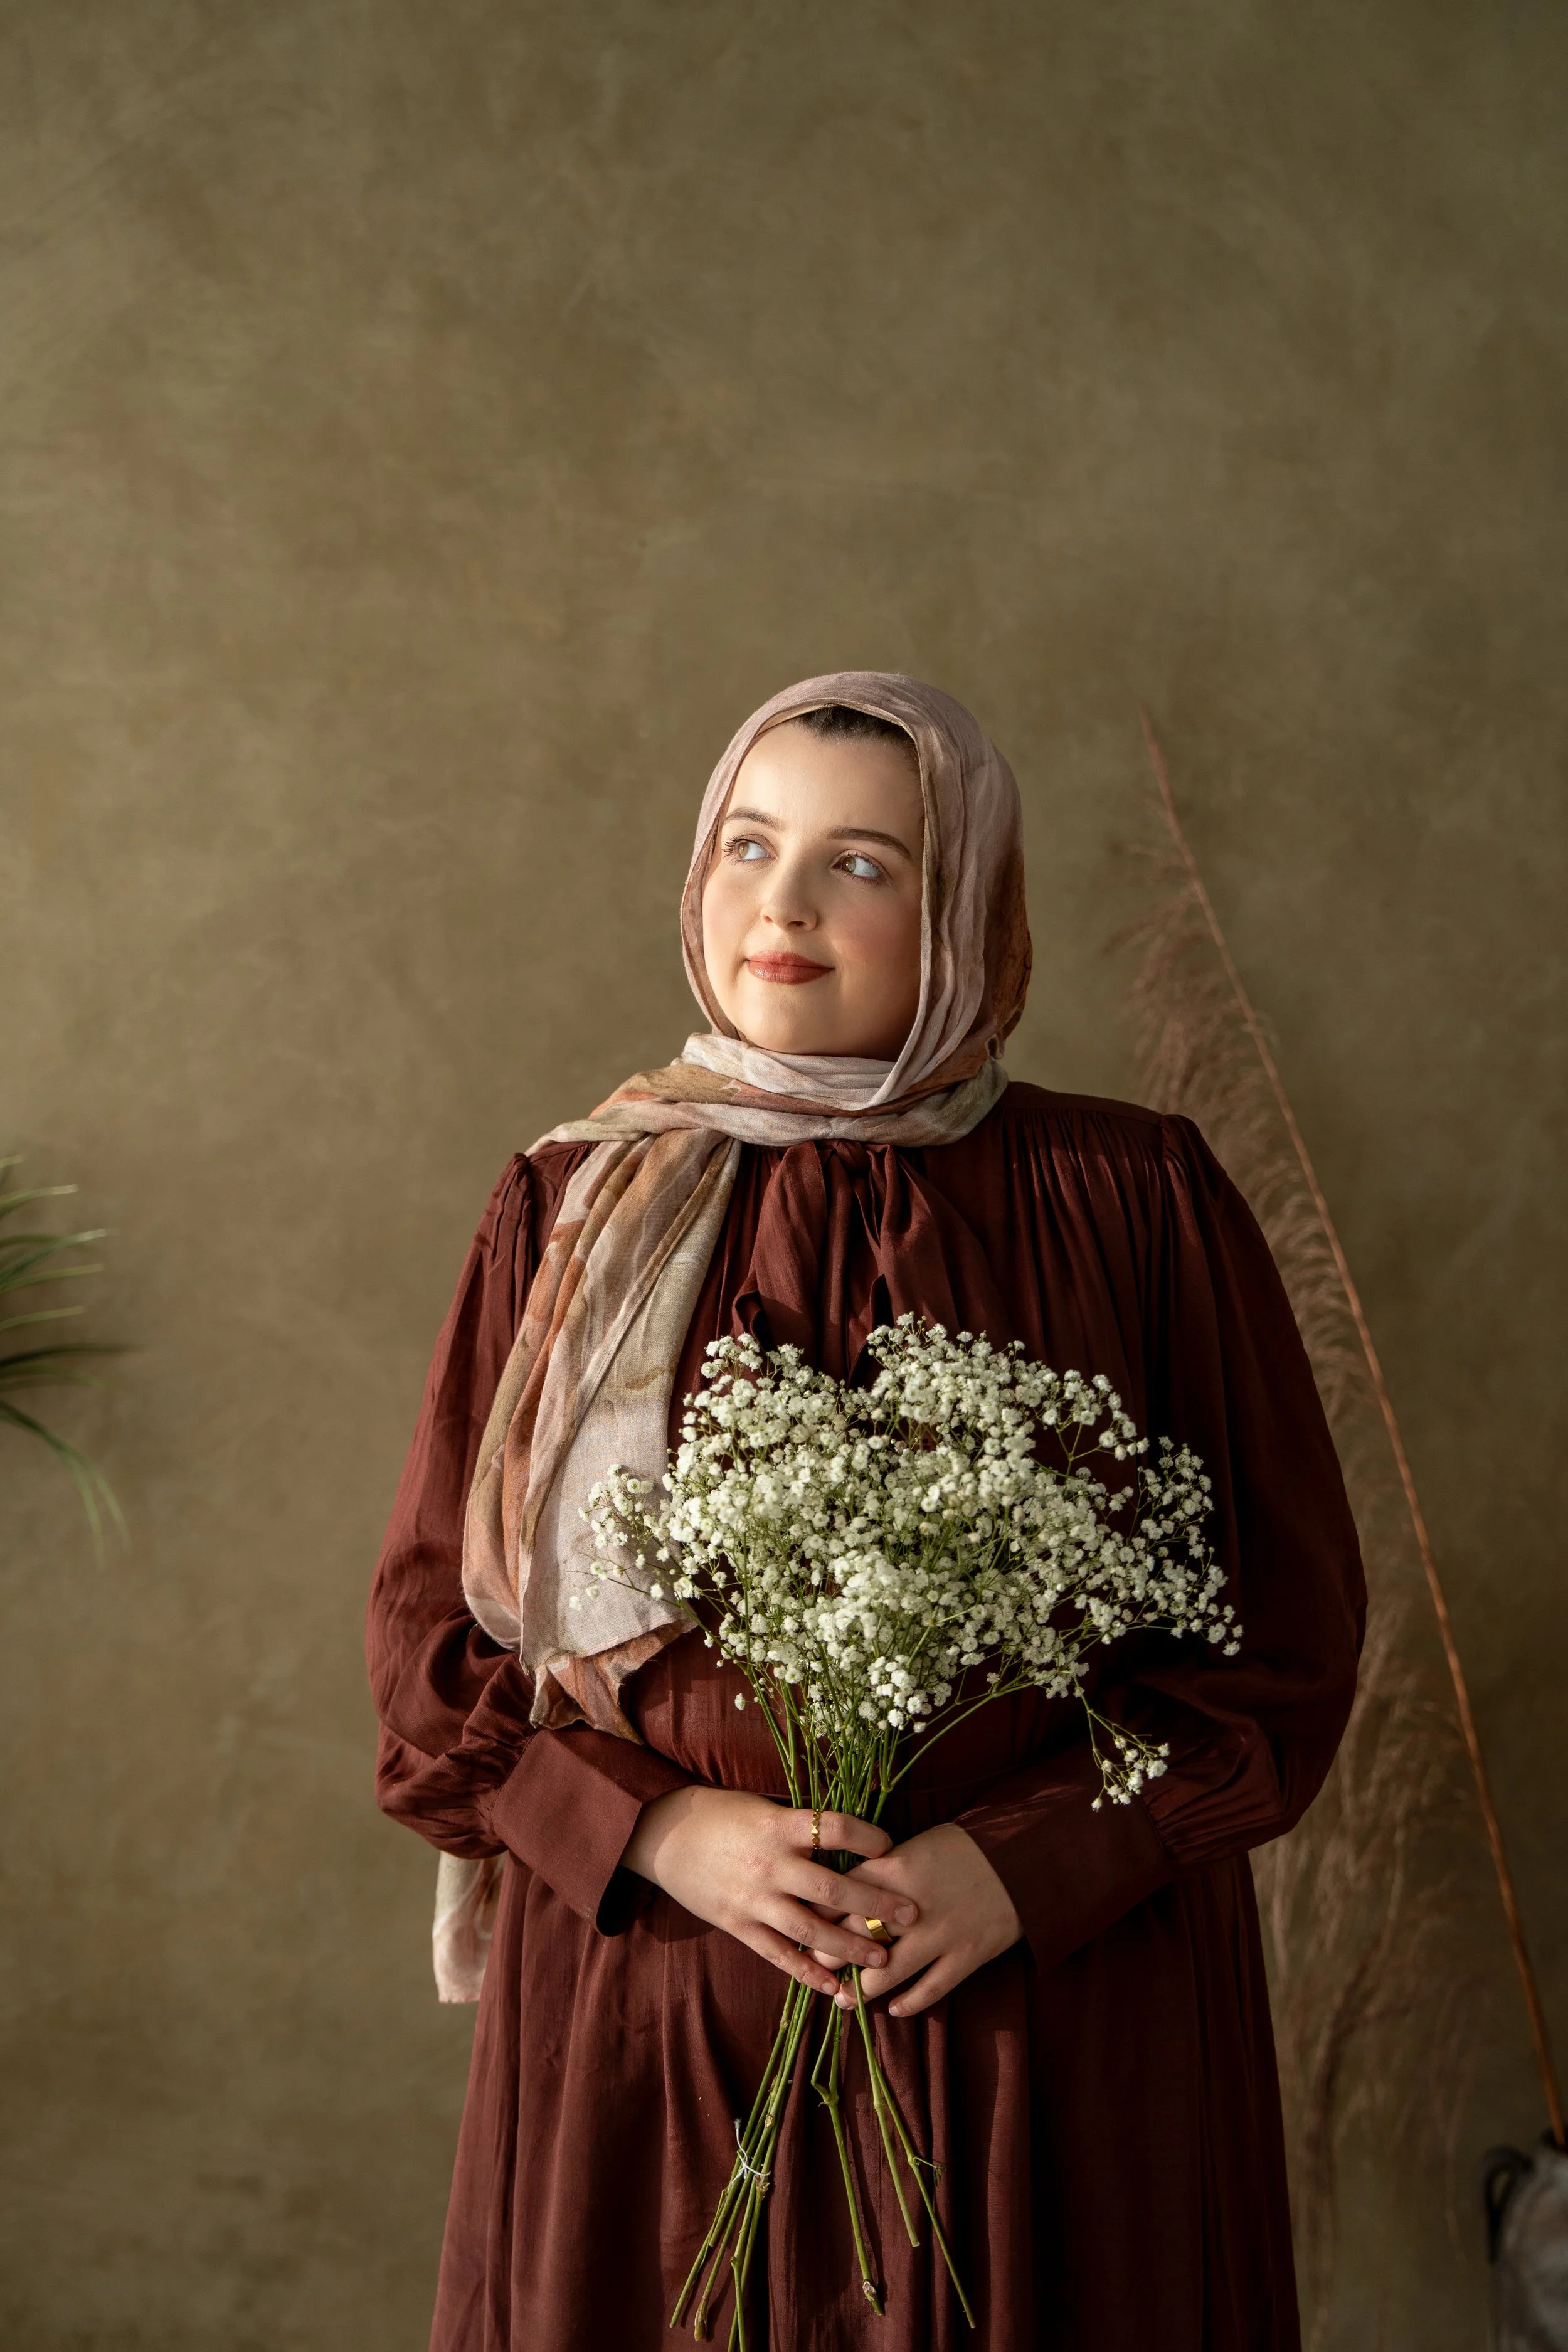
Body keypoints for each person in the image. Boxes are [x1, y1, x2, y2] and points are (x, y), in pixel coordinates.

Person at [367, 673, 1364, 2352]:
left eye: (864, 864)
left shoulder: (1130, 1200)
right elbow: (427, 1655)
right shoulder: (565, 1205)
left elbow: (1276, 1647)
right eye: (751, 843)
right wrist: (664, 1833)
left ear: (967, 910)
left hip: (1045, 2020)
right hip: (650, 2020)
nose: (785, 899)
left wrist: (1018, 1864)